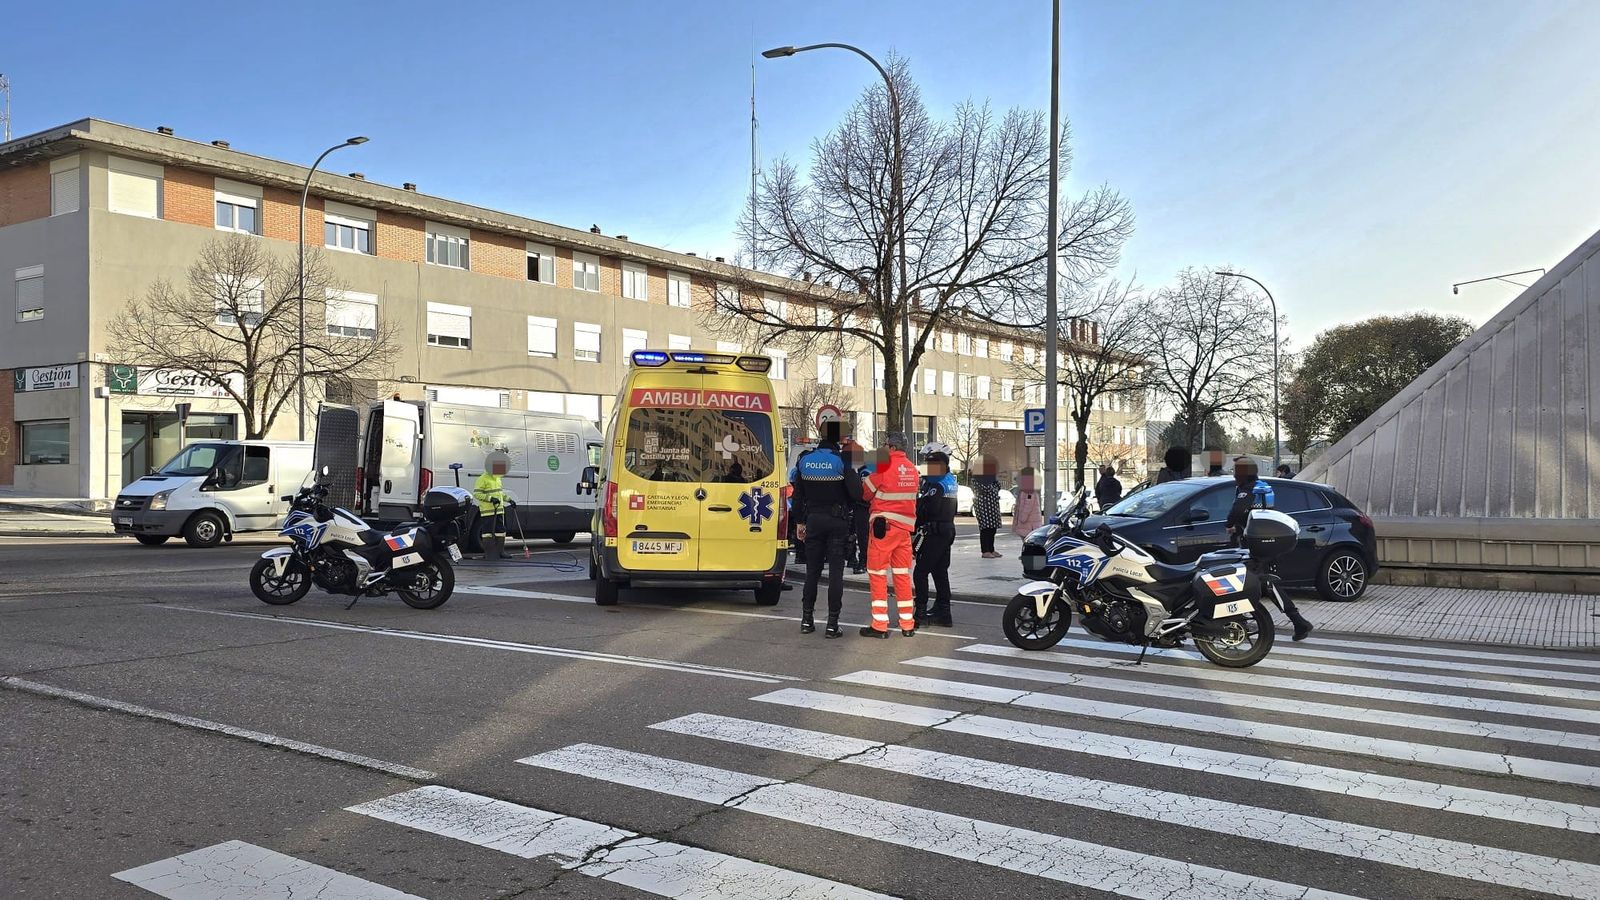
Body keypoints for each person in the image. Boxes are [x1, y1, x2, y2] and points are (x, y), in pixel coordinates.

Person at [1226, 456, 1314, 641]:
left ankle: (1298, 621)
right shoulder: (1260, 485)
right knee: (1260, 583)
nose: (1234, 473)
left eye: (1236, 470)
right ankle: (1297, 621)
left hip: (1255, 544)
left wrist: (1230, 524)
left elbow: (1237, 510)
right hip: (1263, 541)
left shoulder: (1247, 489)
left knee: (1264, 584)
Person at [789, 420, 862, 638]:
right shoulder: (841, 461)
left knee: (812, 572)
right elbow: (856, 493)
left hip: (813, 520)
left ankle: (806, 620)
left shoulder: (805, 460)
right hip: (837, 522)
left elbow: (798, 495)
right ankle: (832, 624)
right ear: (838, 438)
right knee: (836, 574)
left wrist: (800, 522)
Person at [859, 433, 920, 638]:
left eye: (884, 445)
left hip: (883, 529)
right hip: (904, 531)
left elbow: (866, 492)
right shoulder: (912, 470)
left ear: (892, 448)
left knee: (877, 575)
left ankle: (880, 625)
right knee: (902, 576)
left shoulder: (883, 467)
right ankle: (907, 624)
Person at [913, 442, 959, 628]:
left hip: (935, 532)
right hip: (947, 530)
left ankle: (921, 612)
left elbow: (927, 511)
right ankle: (943, 611)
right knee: (940, 572)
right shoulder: (950, 481)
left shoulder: (936, 486)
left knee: (921, 572)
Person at [471, 450, 516, 560]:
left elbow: (499, 493)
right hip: (488, 511)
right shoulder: (483, 478)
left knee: (501, 531)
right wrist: (491, 499)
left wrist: (509, 500)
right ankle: (489, 554)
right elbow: (477, 494)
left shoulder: (497, 478)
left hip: (499, 510)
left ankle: (501, 552)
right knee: (487, 533)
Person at [841, 437, 872, 574]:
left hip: (864, 507)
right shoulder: (857, 468)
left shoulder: (864, 470)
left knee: (863, 536)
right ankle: (853, 558)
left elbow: (864, 490)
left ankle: (863, 561)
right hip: (858, 506)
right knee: (854, 534)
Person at [971, 456, 1003, 559]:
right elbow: (986, 489)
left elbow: (998, 486)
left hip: (993, 506)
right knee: (985, 528)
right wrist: (992, 487)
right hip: (983, 506)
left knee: (992, 528)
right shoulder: (976, 478)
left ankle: (991, 549)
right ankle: (985, 550)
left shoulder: (991, 477)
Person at [1011, 467, 1042, 537]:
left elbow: (1028, 505)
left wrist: (1022, 518)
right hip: (1027, 524)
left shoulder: (1029, 492)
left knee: (1029, 543)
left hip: (1029, 525)